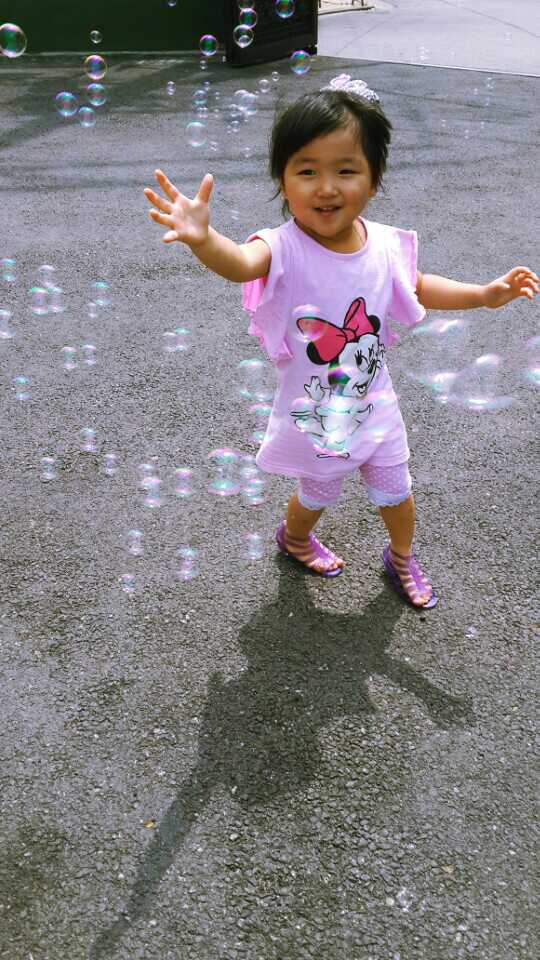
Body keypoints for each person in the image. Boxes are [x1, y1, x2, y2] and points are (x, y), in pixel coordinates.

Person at [143, 74, 538, 609]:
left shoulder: (385, 246)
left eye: (346, 170)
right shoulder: (279, 247)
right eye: (307, 171)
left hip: (377, 405)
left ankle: (401, 556)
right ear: (283, 181)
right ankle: (295, 539)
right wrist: (204, 239)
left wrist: (484, 295)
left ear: (373, 181)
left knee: (396, 491)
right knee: (316, 493)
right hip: (318, 413)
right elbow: (238, 263)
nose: (326, 187)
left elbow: (418, 286)